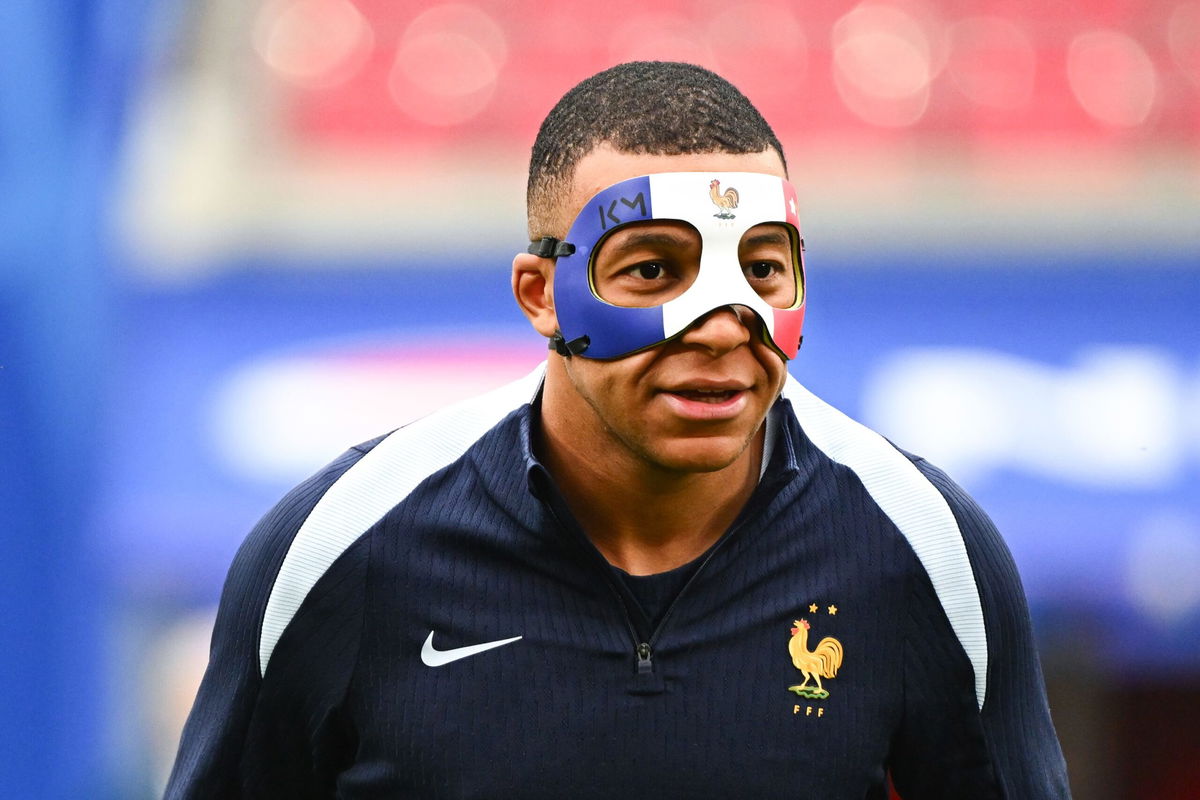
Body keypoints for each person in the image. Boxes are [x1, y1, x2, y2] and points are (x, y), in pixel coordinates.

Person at [165, 61, 1071, 799]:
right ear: (540, 295)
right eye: (652, 269)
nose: (723, 323)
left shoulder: (925, 550)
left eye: (762, 268)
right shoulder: (341, 545)